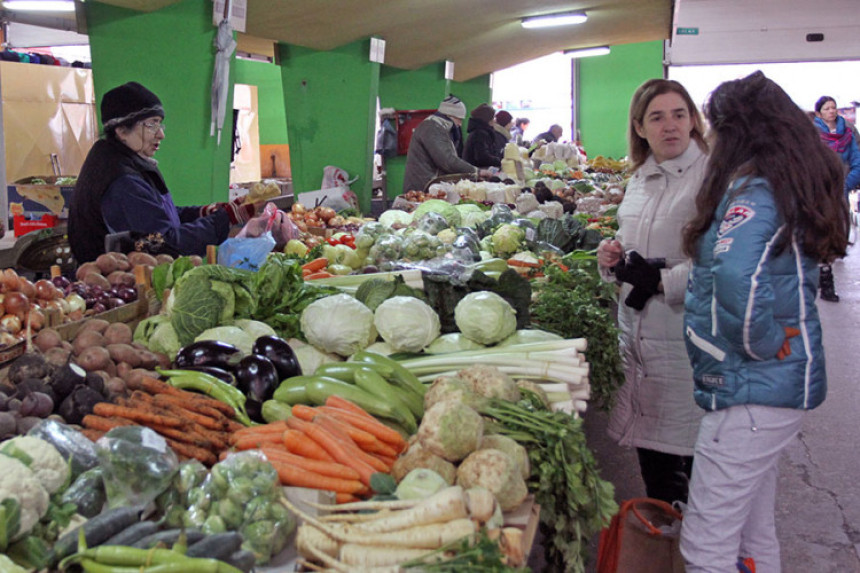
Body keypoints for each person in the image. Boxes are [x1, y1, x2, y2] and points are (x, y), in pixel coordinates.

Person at [680, 71, 849, 572]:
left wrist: (760, 345)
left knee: (706, 543)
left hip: (751, 390)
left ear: (735, 131)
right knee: (752, 535)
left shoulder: (754, 193)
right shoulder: (777, 184)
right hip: (766, 392)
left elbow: (738, 276)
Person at [596, 79, 709, 504]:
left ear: (694, 120)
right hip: (639, 342)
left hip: (687, 343)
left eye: (679, 114)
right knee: (658, 477)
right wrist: (612, 259)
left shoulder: (712, 178)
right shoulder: (640, 178)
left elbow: (727, 265)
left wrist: (664, 282)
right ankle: (664, 547)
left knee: (698, 470)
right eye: (657, 117)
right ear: (640, 127)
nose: (670, 126)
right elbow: (633, 244)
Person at [69, 82, 269, 263]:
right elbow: (163, 243)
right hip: (121, 286)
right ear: (121, 131)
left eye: (159, 124)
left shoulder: (124, 161)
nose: (161, 134)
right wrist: (225, 219)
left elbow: (159, 215)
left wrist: (205, 212)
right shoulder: (120, 181)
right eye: (151, 124)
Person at [811, 95, 860, 302]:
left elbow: (857, 161)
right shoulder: (812, 135)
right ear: (819, 113)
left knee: (835, 231)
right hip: (817, 190)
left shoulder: (848, 133)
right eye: (827, 108)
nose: (832, 111)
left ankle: (825, 273)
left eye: (834, 108)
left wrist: (844, 185)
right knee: (820, 231)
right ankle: (825, 279)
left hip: (839, 190)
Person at [402, 95, 491, 192]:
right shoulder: (432, 128)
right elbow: (447, 160)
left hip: (427, 186)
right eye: (459, 119)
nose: (460, 124)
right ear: (449, 116)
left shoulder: (436, 127)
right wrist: (476, 172)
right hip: (423, 188)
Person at [463, 103, 502, 168]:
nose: (495, 120)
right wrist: (500, 161)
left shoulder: (479, 132)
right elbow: (482, 157)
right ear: (488, 119)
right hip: (478, 173)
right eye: (493, 117)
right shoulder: (480, 134)